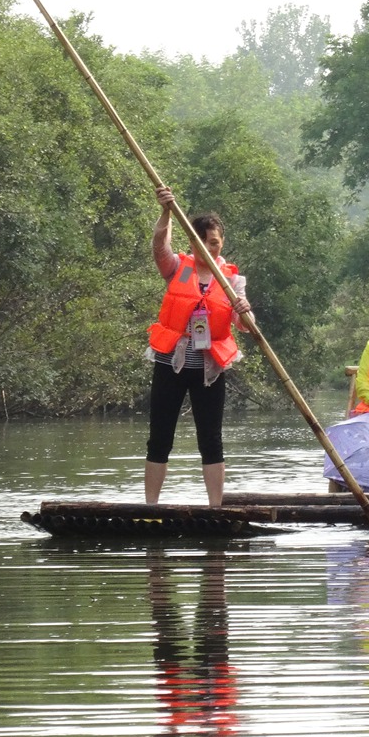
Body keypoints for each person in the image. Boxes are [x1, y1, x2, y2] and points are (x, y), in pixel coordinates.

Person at [145, 186, 252, 507]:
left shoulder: (232, 281)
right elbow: (159, 246)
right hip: (171, 363)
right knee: (160, 437)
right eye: (201, 241)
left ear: (222, 243)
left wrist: (245, 310)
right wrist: (166, 212)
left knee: (211, 439)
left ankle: (215, 508)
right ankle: (150, 507)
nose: (208, 247)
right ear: (192, 243)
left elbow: (245, 325)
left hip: (209, 369)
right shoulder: (177, 267)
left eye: (214, 242)